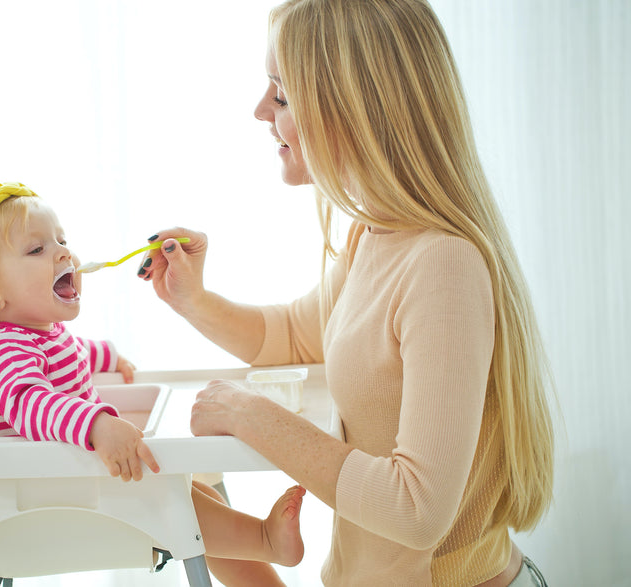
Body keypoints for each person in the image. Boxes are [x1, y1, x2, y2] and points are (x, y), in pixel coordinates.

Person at [137, 1, 554, 585]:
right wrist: (192, 299)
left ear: (353, 112)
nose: (259, 110)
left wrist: (252, 417)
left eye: (280, 96)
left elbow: (416, 510)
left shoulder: (442, 266)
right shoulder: (374, 234)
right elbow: (292, 334)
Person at [0, 181, 307, 585]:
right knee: (185, 506)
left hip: (68, 490)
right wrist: (96, 425)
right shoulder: (4, 352)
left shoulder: (39, 336)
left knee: (198, 497)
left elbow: (73, 353)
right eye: (36, 249)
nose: (62, 252)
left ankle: (264, 558)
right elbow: (31, 403)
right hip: (45, 510)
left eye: (61, 240)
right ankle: (264, 539)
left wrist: (108, 356)